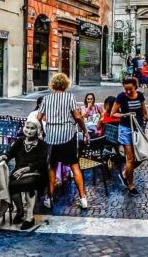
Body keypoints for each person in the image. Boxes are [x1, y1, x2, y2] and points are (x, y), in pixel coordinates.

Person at [37, 73, 90, 209]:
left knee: (52, 167)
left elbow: (39, 117)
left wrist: (45, 128)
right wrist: (84, 131)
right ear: (66, 84)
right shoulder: (70, 97)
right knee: (74, 165)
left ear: (53, 84)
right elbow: (77, 117)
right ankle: (83, 198)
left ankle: (49, 198)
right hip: (67, 136)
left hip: (52, 138)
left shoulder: (46, 99)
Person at [110, 77, 148, 195]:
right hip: (125, 129)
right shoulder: (121, 96)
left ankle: (125, 174)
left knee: (143, 155)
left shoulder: (140, 96)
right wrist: (125, 114)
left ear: (135, 87)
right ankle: (131, 185)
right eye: (126, 89)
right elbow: (113, 113)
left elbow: (145, 113)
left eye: (130, 89)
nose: (128, 92)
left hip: (138, 130)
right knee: (130, 158)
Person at [0, 120, 48, 230]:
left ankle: (30, 217)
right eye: (27, 127)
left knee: (30, 183)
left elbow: (42, 163)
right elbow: (10, 153)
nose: (29, 131)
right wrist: (3, 157)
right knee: (11, 184)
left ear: (38, 130)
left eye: (32, 128)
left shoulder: (42, 145)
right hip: (19, 172)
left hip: (36, 173)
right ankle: (20, 211)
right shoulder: (20, 141)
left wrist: (26, 169)